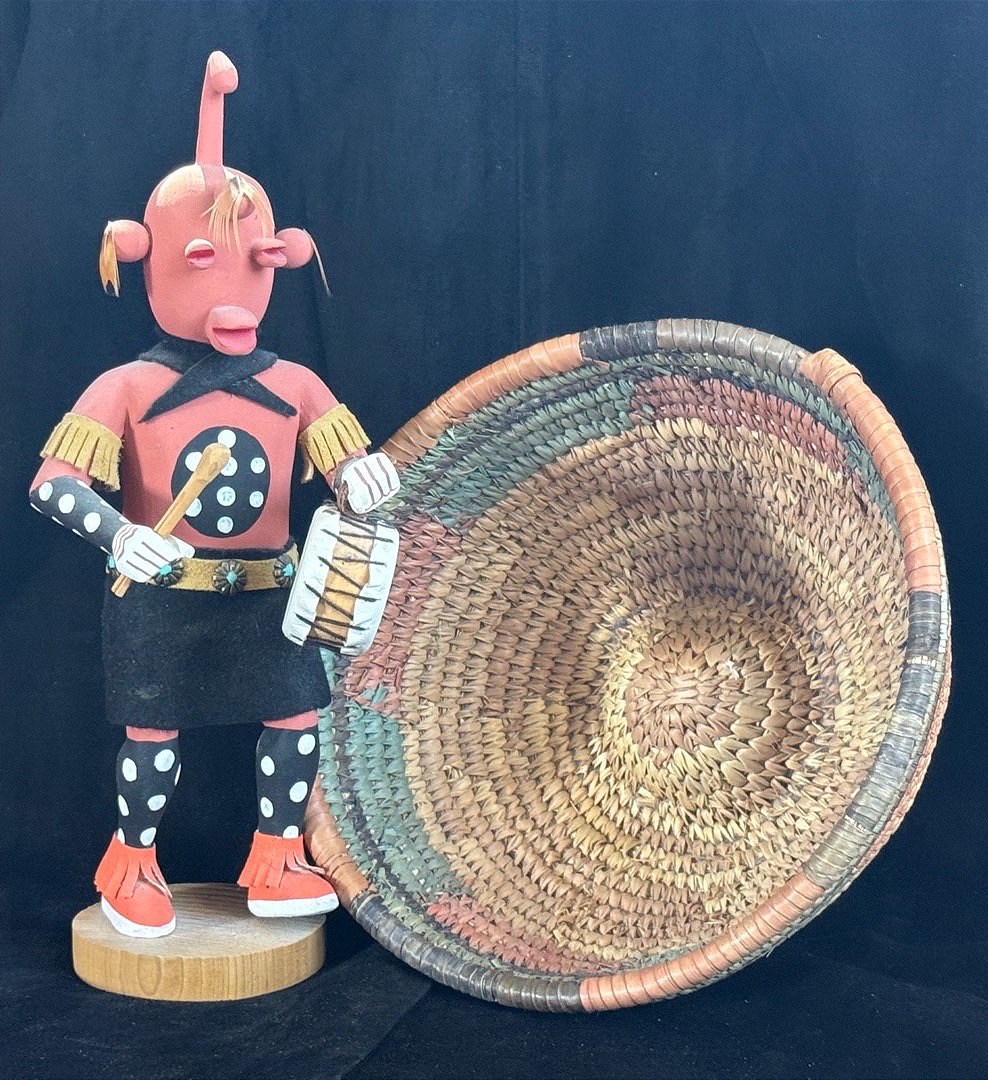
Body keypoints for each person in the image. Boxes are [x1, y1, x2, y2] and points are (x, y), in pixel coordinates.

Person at [29, 51, 399, 938]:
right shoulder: (126, 386)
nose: (232, 289)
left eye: (254, 263)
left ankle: (277, 854)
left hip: (270, 596)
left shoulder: (297, 384)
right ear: (148, 259)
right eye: (203, 261)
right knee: (152, 734)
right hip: (162, 596)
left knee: (294, 719)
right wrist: (119, 534)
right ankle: (131, 860)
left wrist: (361, 473)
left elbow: (349, 462)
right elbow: (53, 484)